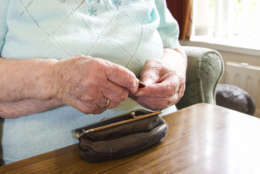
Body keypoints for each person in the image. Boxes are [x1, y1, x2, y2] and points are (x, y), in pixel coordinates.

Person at [0, 0, 187, 164]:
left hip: (160, 143)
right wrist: (57, 79)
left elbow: (172, 46)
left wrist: (172, 72)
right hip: (50, 161)